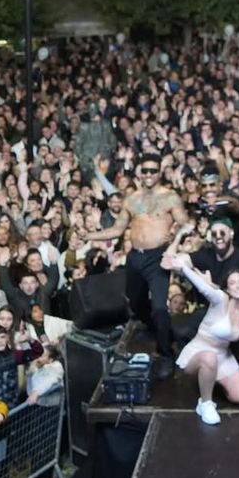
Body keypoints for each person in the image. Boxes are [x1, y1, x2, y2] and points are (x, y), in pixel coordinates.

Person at [85, 155, 188, 380]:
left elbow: (186, 222)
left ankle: (166, 354)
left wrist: (176, 238)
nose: (149, 175)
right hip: (135, 257)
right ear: (140, 173)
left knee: (160, 307)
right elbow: (117, 229)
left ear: (159, 173)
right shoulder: (132, 199)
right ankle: (157, 328)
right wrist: (89, 234)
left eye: (153, 170)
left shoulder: (170, 197)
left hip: (158, 256)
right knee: (135, 302)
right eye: (146, 171)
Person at [165, 251, 239, 425]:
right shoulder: (220, 299)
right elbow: (203, 287)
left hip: (223, 356)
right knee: (209, 357)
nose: (238, 285)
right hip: (200, 353)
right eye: (233, 282)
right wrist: (184, 268)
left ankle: (215, 381)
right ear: (227, 288)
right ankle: (205, 403)